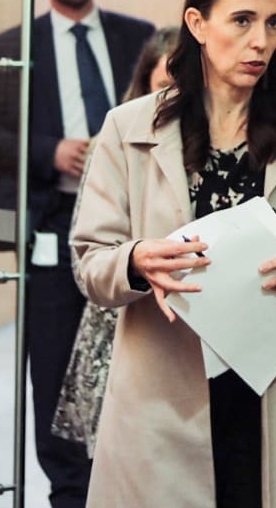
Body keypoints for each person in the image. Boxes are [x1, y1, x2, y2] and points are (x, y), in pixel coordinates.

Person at [70, 0, 276, 508]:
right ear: (198, 24)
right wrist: (136, 260)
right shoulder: (128, 128)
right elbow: (90, 264)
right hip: (163, 392)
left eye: (274, 23)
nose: (261, 42)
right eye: (242, 21)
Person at [0, 0, 154, 508]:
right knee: (52, 365)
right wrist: (50, 152)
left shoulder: (137, 37)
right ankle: (68, 491)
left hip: (129, 229)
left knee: (128, 362)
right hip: (50, 225)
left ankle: (121, 481)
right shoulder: (15, 47)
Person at [50, 25, 180, 457]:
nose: (172, 98)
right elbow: (86, 255)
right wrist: (137, 260)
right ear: (143, 86)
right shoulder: (116, 140)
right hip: (121, 324)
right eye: (162, 86)